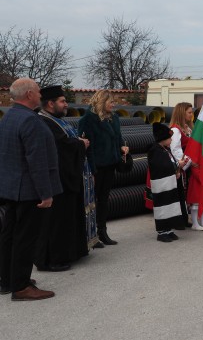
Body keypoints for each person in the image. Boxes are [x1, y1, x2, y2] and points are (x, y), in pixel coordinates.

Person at [0, 78, 62, 301]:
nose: (40, 94)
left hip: (11, 188)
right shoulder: (31, 121)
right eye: (37, 91)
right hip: (29, 191)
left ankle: (7, 279)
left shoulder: (9, 117)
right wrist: (45, 194)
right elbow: (37, 161)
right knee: (26, 237)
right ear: (28, 95)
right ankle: (21, 286)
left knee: (10, 235)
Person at [35, 85, 91, 273]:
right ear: (50, 104)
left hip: (68, 179)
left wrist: (77, 144)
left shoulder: (57, 121)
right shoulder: (44, 122)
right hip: (57, 181)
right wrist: (80, 144)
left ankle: (71, 252)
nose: (66, 104)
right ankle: (53, 259)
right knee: (55, 222)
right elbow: (62, 147)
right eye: (62, 101)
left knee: (67, 219)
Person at [78, 90, 129, 245]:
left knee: (104, 200)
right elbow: (87, 148)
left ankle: (102, 232)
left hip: (110, 164)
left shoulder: (114, 118)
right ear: (101, 102)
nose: (113, 105)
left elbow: (118, 137)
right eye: (110, 102)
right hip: (96, 167)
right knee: (90, 202)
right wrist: (92, 170)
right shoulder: (88, 119)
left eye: (113, 102)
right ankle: (89, 235)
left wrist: (122, 147)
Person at [148, 123, 186, 242]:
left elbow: (170, 162)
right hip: (161, 185)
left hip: (170, 183)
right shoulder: (155, 150)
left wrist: (177, 169)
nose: (171, 140)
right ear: (162, 138)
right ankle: (161, 231)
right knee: (162, 207)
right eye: (169, 138)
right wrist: (176, 165)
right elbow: (161, 165)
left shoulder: (165, 149)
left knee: (171, 205)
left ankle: (169, 229)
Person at [169, 102, 194, 228]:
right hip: (182, 165)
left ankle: (187, 215)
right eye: (189, 112)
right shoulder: (175, 130)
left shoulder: (187, 128)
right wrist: (187, 162)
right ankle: (181, 217)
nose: (191, 114)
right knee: (181, 192)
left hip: (188, 165)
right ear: (181, 113)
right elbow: (175, 150)